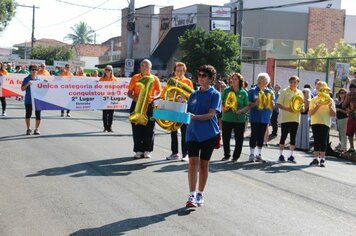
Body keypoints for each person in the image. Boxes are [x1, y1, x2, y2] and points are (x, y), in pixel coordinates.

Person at [185, 65, 221, 208]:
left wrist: (194, 117)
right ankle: (191, 195)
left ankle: (200, 193)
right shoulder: (193, 94)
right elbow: (186, 113)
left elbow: (212, 114)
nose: (200, 78)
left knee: (204, 165)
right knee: (193, 163)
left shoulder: (215, 94)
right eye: (199, 75)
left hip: (208, 134)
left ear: (211, 78)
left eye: (204, 75)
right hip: (192, 132)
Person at [127, 59, 162, 159]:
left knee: (150, 128)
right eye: (142, 65)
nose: (144, 67)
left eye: (146, 65)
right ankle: (138, 150)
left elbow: (160, 92)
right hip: (137, 105)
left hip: (150, 105)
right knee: (136, 128)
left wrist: (154, 97)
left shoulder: (155, 79)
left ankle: (147, 150)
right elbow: (129, 93)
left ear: (150, 68)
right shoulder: (135, 77)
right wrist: (135, 97)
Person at [164, 62, 193, 162]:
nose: (179, 72)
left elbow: (191, 95)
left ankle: (186, 154)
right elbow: (165, 93)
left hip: (184, 108)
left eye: (181, 71)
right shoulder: (171, 81)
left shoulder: (188, 82)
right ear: (175, 72)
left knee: (185, 132)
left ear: (184, 71)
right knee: (173, 131)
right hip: (173, 107)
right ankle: (175, 153)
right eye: (177, 71)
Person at [221, 73, 249, 162]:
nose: (233, 80)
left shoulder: (243, 92)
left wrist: (241, 111)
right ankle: (226, 155)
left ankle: (236, 156)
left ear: (240, 81)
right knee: (226, 137)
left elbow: (247, 106)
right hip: (227, 118)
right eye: (232, 79)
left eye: (235, 79)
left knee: (239, 138)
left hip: (239, 119)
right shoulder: (226, 90)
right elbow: (221, 101)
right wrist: (223, 108)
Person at [247, 73, 275, 163]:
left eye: (262, 79)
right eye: (258, 78)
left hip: (265, 118)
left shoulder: (270, 92)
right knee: (253, 135)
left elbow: (273, 106)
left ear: (266, 82)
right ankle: (251, 154)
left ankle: (258, 154)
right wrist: (255, 103)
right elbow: (248, 104)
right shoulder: (252, 91)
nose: (259, 81)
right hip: (255, 117)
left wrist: (272, 104)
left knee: (261, 136)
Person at [308, 81, 336, 167]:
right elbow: (310, 113)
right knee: (316, 140)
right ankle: (315, 158)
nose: (317, 89)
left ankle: (322, 159)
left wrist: (329, 107)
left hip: (325, 122)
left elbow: (334, 114)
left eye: (319, 88)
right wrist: (317, 106)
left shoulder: (330, 100)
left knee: (323, 141)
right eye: (317, 88)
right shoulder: (313, 99)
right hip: (315, 121)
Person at [277, 76, 303, 163]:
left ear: (297, 83)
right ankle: (281, 155)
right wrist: (287, 109)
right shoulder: (284, 91)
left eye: (295, 82)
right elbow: (279, 104)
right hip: (285, 118)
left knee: (293, 137)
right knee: (283, 136)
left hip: (295, 118)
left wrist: (301, 109)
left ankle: (291, 155)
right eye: (291, 82)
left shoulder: (300, 93)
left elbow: (301, 105)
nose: (293, 84)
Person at [21, 64, 45, 135]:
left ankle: (37, 129)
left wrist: (45, 83)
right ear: (30, 70)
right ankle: (28, 128)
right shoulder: (26, 79)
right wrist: (28, 84)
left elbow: (44, 89)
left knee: (38, 115)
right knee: (28, 114)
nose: (34, 71)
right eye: (33, 69)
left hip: (38, 100)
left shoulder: (40, 79)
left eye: (36, 69)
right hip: (29, 100)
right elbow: (22, 89)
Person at [99, 65, 118, 132]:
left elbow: (117, 89)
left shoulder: (115, 79)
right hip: (104, 99)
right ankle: (105, 127)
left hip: (111, 99)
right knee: (104, 114)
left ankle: (109, 127)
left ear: (111, 71)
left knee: (111, 114)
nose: (107, 71)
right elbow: (99, 89)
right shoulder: (101, 79)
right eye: (106, 69)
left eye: (109, 70)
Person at [343, 83, 356, 153]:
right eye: (351, 89)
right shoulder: (348, 95)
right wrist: (347, 98)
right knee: (350, 133)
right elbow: (344, 105)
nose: (353, 90)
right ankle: (352, 148)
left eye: (354, 89)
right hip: (351, 117)